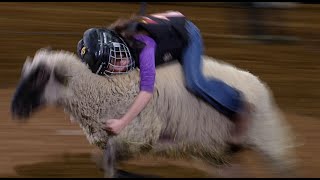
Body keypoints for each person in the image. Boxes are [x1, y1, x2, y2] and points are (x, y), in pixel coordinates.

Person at [76, 11, 250, 143]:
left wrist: (123, 122)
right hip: (169, 40)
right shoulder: (122, 36)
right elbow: (172, 15)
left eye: (116, 59)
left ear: (118, 44)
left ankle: (239, 105)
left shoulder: (144, 46)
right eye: (111, 66)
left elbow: (146, 92)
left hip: (188, 38)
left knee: (194, 83)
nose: (117, 67)